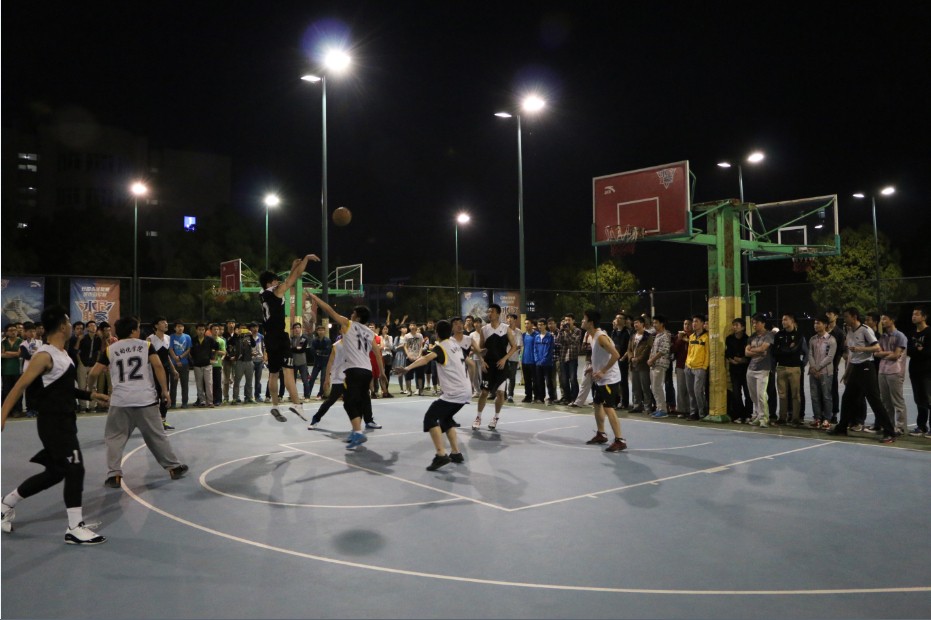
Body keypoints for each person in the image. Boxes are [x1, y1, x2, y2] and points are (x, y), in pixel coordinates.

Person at [1, 305, 109, 545]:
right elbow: (19, 386)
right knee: (75, 469)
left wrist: (92, 395)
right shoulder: (44, 355)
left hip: (64, 421)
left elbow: (64, 388)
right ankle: (74, 528)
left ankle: (5, 504)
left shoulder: (62, 354)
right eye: (69, 322)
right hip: (54, 423)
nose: (71, 326)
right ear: (62, 326)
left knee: (56, 473)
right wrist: (3, 415)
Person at [87, 316, 188, 489]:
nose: (140, 330)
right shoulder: (145, 346)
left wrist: (91, 390)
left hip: (120, 401)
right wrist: (164, 390)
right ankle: (173, 467)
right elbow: (158, 366)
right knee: (157, 436)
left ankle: (114, 475)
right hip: (145, 399)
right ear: (133, 330)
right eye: (138, 328)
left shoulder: (111, 349)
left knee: (114, 438)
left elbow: (94, 373)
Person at [397, 318, 474, 471]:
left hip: (454, 393)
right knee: (445, 419)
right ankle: (456, 453)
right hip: (465, 391)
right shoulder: (456, 345)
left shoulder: (441, 347)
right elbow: (471, 363)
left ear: (437, 333)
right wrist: (470, 384)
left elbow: (425, 359)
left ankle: (441, 454)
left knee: (430, 418)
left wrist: (407, 368)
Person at [308, 293, 380, 449]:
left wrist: (315, 298)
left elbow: (329, 310)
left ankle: (358, 432)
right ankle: (356, 430)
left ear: (358, 317)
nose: (351, 315)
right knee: (357, 400)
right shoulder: (370, 333)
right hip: (366, 371)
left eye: (353, 313)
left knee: (349, 402)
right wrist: (381, 374)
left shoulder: (349, 324)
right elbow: (377, 352)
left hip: (354, 371)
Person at [258, 254, 319, 422]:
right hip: (279, 336)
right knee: (288, 371)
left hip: (269, 337)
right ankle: (297, 405)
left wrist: (292, 267)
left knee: (273, 373)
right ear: (270, 284)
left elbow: (289, 278)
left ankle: (275, 406)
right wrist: (305, 260)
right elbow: (293, 278)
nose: (278, 283)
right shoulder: (276, 292)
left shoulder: (262, 294)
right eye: (275, 281)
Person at [828, 308, 896, 443]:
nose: (844, 319)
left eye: (846, 317)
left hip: (866, 367)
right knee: (847, 398)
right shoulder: (849, 331)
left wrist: (861, 348)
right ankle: (842, 427)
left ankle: (890, 432)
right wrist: (847, 373)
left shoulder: (865, 330)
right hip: (855, 368)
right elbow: (852, 355)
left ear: (854, 317)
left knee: (874, 400)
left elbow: (877, 348)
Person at [581, 309, 627, 452]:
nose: (582, 321)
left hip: (609, 379)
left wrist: (603, 371)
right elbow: (601, 356)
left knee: (608, 407)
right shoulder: (592, 336)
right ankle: (601, 434)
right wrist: (594, 368)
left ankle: (620, 440)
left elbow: (616, 355)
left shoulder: (600, 337)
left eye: (584, 319)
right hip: (600, 378)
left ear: (590, 322)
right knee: (597, 403)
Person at [472, 304, 519, 431]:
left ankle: (496, 417)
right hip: (488, 365)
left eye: (492, 311)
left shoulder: (506, 328)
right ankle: (478, 417)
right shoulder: (484, 329)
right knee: (484, 392)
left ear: (498, 314)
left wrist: (504, 359)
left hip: (501, 365)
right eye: (488, 312)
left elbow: (514, 346)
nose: (489, 313)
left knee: (500, 393)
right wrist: (482, 361)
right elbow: (480, 349)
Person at [871, 312, 908, 436]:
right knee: (886, 402)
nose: (882, 321)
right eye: (882, 319)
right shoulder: (883, 337)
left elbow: (896, 355)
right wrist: (888, 353)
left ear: (892, 320)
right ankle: (889, 426)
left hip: (895, 371)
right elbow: (876, 353)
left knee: (897, 401)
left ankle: (900, 427)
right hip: (882, 371)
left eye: (885, 319)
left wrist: (884, 354)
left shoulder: (900, 336)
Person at [773, 313, 806, 426]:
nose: (783, 322)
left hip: (794, 368)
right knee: (782, 394)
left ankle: (795, 418)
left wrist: (782, 349)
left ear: (792, 321)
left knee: (795, 395)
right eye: (782, 320)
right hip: (781, 367)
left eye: (786, 320)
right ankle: (782, 417)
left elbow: (795, 349)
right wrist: (787, 348)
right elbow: (775, 351)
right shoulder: (779, 335)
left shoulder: (799, 334)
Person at [148, 316, 179, 429]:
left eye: (166, 322)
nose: (166, 324)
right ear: (156, 326)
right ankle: (153, 422)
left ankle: (163, 420)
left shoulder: (168, 338)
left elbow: (167, 356)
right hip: (153, 371)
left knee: (165, 395)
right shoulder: (150, 339)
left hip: (165, 370)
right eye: (162, 322)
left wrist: (173, 369)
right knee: (155, 396)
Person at [807, 315, 837, 429]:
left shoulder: (831, 340)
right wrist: (813, 368)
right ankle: (817, 418)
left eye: (818, 323)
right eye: (815, 323)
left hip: (825, 372)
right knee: (814, 396)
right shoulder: (812, 339)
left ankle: (827, 419)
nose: (815, 325)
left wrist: (817, 368)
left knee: (826, 396)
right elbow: (810, 354)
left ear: (825, 325)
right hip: (813, 372)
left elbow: (830, 357)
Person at [745, 314, 774, 428]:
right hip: (751, 369)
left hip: (763, 369)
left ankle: (764, 418)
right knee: (753, 395)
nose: (754, 325)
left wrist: (753, 350)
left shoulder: (769, 335)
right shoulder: (752, 336)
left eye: (756, 322)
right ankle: (757, 415)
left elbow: (764, 348)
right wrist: (757, 351)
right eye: (753, 322)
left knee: (761, 394)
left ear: (763, 323)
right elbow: (746, 353)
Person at [907, 306, 931, 437]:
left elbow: (928, 352)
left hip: (927, 371)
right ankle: (921, 427)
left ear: (924, 317)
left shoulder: (929, 332)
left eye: (916, 314)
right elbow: (909, 351)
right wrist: (918, 350)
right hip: (914, 370)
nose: (913, 316)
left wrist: (918, 351)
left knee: (929, 399)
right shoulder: (912, 333)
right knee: (919, 400)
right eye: (913, 314)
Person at [725, 318, 752, 423]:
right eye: (733, 325)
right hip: (734, 370)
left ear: (743, 327)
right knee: (736, 393)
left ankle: (748, 414)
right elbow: (728, 353)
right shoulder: (729, 339)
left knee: (748, 393)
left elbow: (748, 356)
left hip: (745, 370)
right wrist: (733, 359)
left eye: (737, 325)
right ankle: (739, 415)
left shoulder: (748, 339)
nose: (734, 327)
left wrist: (741, 360)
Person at [685, 314, 710, 420]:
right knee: (691, 392)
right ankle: (693, 412)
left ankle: (702, 413)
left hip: (700, 368)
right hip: (689, 367)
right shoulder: (691, 336)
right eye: (693, 321)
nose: (694, 324)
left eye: (696, 321)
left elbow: (708, 353)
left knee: (698, 392)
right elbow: (689, 351)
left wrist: (704, 367)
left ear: (702, 323)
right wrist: (687, 363)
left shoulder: (706, 337)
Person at [647, 315, 672, 417]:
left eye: (656, 323)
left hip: (660, 365)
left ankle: (663, 410)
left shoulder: (665, 335)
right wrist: (650, 359)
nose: (654, 325)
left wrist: (652, 359)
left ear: (662, 324)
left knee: (657, 387)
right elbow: (653, 350)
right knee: (654, 387)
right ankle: (659, 408)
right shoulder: (657, 335)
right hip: (654, 365)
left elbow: (663, 351)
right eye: (653, 323)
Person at [627, 316, 653, 413]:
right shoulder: (633, 336)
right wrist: (631, 358)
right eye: (634, 323)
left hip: (643, 365)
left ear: (643, 324)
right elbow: (629, 349)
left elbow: (648, 349)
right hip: (633, 365)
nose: (635, 325)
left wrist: (638, 359)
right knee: (635, 387)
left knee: (645, 387)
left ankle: (647, 406)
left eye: (637, 322)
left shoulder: (648, 336)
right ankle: (637, 405)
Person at [189, 323, 219, 408]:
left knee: (209, 384)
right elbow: (190, 351)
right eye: (199, 330)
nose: (201, 331)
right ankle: (202, 401)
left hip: (207, 365)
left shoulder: (209, 339)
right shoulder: (193, 340)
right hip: (197, 365)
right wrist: (192, 360)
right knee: (199, 384)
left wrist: (213, 358)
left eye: (203, 330)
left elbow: (217, 347)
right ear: (196, 330)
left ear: (205, 330)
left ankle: (210, 402)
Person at [556, 314, 582, 404]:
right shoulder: (563, 330)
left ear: (573, 321)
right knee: (564, 379)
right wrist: (561, 331)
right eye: (566, 320)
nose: (567, 322)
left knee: (573, 379)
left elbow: (573, 341)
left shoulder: (577, 331)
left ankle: (574, 398)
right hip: (563, 357)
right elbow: (558, 341)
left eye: (569, 320)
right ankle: (567, 398)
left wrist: (567, 332)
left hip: (572, 358)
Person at [169, 321, 192, 408]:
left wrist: (180, 357)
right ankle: (173, 403)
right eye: (178, 326)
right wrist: (175, 358)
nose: (180, 328)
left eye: (182, 326)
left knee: (184, 384)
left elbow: (188, 349)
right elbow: (170, 349)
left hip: (184, 364)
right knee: (173, 384)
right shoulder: (171, 337)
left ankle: (184, 403)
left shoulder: (187, 337)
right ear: (175, 328)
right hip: (174, 364)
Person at [2, 324, 23, 416]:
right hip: (5, 370)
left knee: (17, 391)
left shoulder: (21, 341)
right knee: (6, 391)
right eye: (10, 330)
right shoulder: (3, 342)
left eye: (14, 330)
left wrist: (7, 352)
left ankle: (17, 410)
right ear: (6, 332)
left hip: (18, 369)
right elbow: (1, 354)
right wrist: (14, 354)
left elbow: (20, 354)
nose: (13, 332)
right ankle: (6, 411)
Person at [611, 313, 631, 410]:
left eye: (620, 318)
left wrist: (623, 357)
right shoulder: (614, 332)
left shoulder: (627, 332)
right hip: (614, 360)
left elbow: (629, 348)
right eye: (616, 318)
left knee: (623, 381)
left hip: (623, 360)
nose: (618, 319)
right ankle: (616, 401)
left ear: (624, 321)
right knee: (615, 381)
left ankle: (625, 403)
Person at [504, 313, 521, 403]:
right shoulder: (503, 330)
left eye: (511, 318)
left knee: (512, 377)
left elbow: (518, 345)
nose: (509, 319)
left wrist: (509, 353)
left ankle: (510, 395)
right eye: (508, 318)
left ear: (515, 320)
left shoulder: (518, 332)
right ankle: (503, 394)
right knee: (503, 377)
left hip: (514, 358)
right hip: (503, 358)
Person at [520, 318, 538, 402]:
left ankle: (536, 396)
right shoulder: (523, 335)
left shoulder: (536, 335)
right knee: (527, 380)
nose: (526, 325)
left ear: (532, 325)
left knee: (535, 380)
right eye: (525, 323)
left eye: (528, 323)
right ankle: (528, 396)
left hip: (534, 361)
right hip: (525, 361)